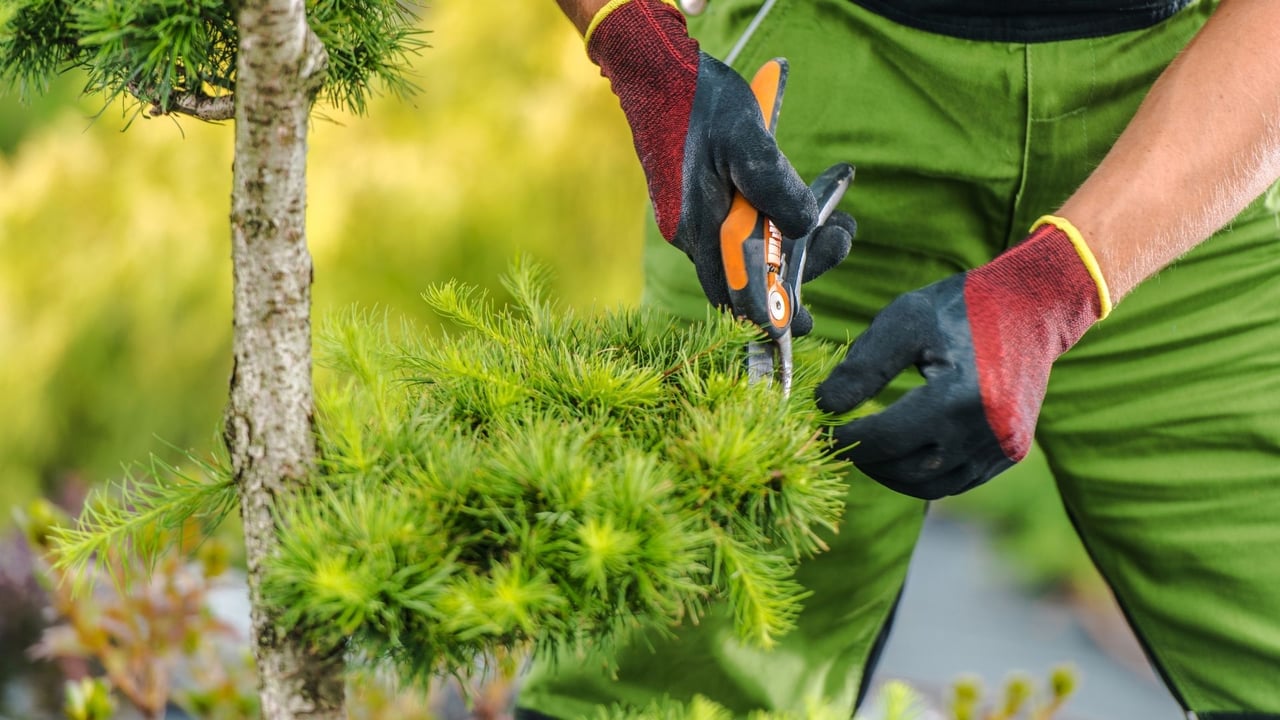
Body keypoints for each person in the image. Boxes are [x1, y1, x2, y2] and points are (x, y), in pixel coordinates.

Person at [520, 0, 1280, 717]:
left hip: (1196, 122)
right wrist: (638, 45)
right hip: (826, 91)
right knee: (676, 649)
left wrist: (1060, 283)